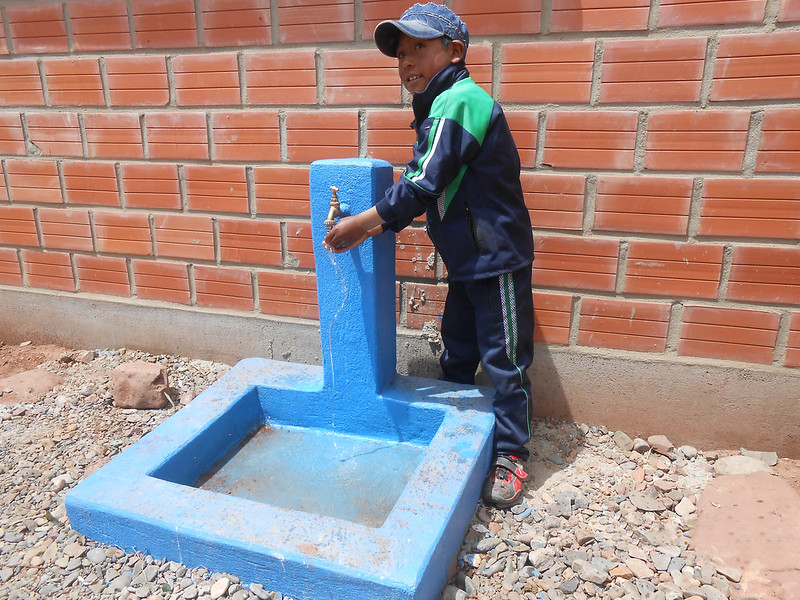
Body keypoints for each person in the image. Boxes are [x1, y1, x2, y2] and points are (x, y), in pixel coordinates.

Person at [323, 3, 534, 509]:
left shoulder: (460, 101)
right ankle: (456, 422)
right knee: (458, 345)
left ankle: (512, 453)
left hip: (497, 255)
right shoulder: (439, 105)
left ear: (454, 50)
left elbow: (423, 181)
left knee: (505, 359)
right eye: (400, 53)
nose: (407, 61)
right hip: (470, 254)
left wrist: (365, 222)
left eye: (419, 47)